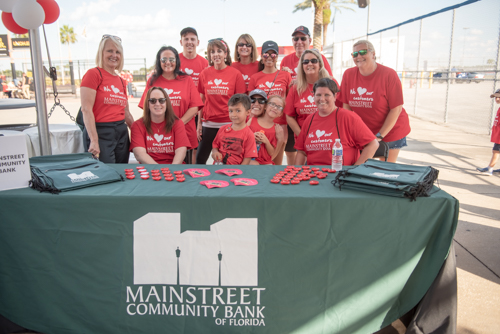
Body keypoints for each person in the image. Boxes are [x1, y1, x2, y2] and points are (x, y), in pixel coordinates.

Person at [340, 39, 410, 163]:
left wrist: (379, 136)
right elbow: (347, 107)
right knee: (359, 166)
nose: (359, 56)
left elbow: (396, 109)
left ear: (373, 54)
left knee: (384, 171)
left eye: (363, 52)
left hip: (390, 130)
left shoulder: (389, 74)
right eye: (355, 54)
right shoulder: (348, 74)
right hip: (364, 131)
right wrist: (353, 132)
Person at [138, 46, 203, 161]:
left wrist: (177, 126)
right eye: (164, 60)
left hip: (185, 132)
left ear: (177, 61)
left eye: (171, 59)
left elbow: (195, 106)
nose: (168, 62)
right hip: (160, 136)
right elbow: (146, 107)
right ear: (159, 61)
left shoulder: (186, 79)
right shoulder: (153, 80)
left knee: (185, 172)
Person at [295, 78, 378, 166]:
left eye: (327, 95)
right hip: (313, 175)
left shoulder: (348, 117)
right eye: (318, 95)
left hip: (340, 175)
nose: (322, 99)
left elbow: (373, 144)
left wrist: (356, 170)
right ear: (313, 97)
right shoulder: (309, 119)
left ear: (335, 96)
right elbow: (301, 152)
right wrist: (295, 173)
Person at [80, 34, 134, 163]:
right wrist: (94, 140)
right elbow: (86, 109)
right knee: (106, 173)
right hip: (101, 132)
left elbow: (126, 112)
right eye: (110, 51)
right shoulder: (93, 74)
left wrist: (139, 132)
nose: (114, 55)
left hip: (121, 132)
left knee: (122, 172)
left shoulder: (121, 81)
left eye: (117, 52)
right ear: (101, 52)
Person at [196, 38, 246, 164]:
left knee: (228, 160)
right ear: (210, 55)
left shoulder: (235, 74)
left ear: (225, 53)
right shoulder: (204, 74)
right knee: (200, 159)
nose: (216, 54)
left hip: (229, 123)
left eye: (219, 51)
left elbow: (241, 103)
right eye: (212, 52)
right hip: (209, 124)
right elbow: (201, 100)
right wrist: (199, 125)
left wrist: (241, 125)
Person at [285, 49, 338, 165]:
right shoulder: (295, 88)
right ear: (301, 66)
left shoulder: (331, 83)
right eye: (305, 62)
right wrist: (303, 136)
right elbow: (289, 116)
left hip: (328, 138)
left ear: (320, 63)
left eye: (313, 61)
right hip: (303, 140)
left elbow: (339, 110)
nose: (309, 64)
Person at [248, 41, 291, 165]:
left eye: (273, 54)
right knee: (256, 160)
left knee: (275, 164)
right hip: (260, 122)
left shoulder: (285, 75)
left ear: (277, 57)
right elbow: (250, 102)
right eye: (266, 54)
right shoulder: (255, 77)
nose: (270, 57)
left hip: (280, 124)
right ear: (261, 57)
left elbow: (287, 100)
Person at [130, 87, 189, 164]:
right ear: (147, 104)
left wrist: (171, 170)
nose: (157, 104)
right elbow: (139, 154)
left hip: (174, 168)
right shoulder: (137, 125)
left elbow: (181, 150)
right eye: (153, 101)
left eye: (161, 100)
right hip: (150, 168)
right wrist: (160, 170)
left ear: (166, 103)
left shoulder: (177, 123)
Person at [179, 27, 209, 163]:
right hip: (180, 112)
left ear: (198, 42)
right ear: (181, 42)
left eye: (192, 39)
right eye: (186, 39)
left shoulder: (204, 63)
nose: (189, 42)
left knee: (195, 147)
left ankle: (193, 171)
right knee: (178, 145)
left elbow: (205, 92)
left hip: (197, 112)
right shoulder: (175, 61)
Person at [211, 94, 257, 165]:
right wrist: (215, 152)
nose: (233, 115)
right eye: (231, 111)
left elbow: (247, 159)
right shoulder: (222, 129)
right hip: (218, 169)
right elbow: (215, 146)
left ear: (248, 112)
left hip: (236, 172)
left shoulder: (249, 134)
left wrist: (238, 172)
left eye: (238, 111)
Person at [249, 94, 285, 165]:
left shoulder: (276, 129)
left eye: (279, 107)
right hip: (250, 159)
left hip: (265, 163)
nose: (275, 108)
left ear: (280, 113)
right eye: (272, 104)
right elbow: (242, 138)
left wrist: (266, 141)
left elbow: (271, 153)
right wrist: (252, 136)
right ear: (265, 106)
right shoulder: (252, 120)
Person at [477, 89, 500, 176]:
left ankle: (489, 169)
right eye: (495, 98)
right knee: (496, 151)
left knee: (495, 151)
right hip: (497, 135)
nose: (497, 99)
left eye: (498, 97)